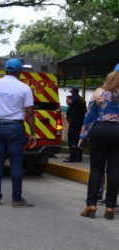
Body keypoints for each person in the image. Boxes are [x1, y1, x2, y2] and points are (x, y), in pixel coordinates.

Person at [0, 58, 36, 208]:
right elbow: (30, 113)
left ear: (5, 70)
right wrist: (33, 133)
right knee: (16, 164)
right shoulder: (24, 88)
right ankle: (17, 199)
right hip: (15, 128)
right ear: (19, 72)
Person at [80, 64, 119, 220]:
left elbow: (89, 116)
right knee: (115, 171)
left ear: (111, 75)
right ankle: (110, 207)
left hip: (99, 130)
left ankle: (91, 205)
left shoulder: (99, 92)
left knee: (96, 170)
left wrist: (83, 137)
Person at [63, 87, 87, 163]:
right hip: (81, 122)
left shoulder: (74, 99)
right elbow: (84, 110)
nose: (71, 93)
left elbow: (70, 108)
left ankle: (72, 157)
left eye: (71, 92)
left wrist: (67, 117)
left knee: (72, 139)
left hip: (74, 121)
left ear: (73, 92)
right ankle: (78, 157)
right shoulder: (82, 99)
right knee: (79, 139)